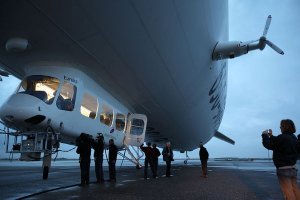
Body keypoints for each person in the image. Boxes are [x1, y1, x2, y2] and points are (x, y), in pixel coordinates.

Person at [262, 119, 300, 200]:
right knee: (295, 189)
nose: (280, 127)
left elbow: (268, 145)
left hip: (283, 169)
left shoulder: (282, 138)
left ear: (285, 127)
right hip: (293, 168)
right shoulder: (293, 138)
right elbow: (279, 141)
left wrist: (264, 135)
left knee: (288, 192)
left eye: (281, 126)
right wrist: (271, 136)